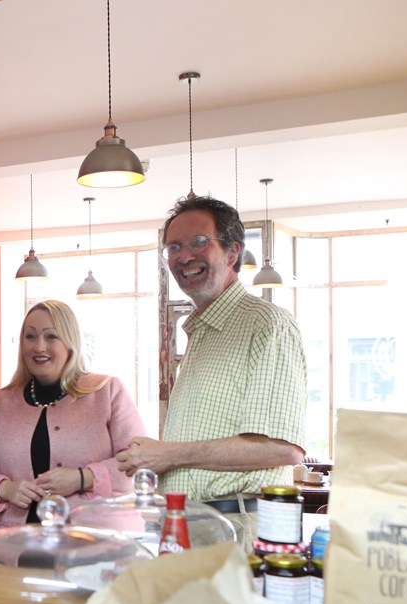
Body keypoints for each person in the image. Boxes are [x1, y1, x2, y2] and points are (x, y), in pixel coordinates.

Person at [116, 195, 306, 538]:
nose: (184, 256)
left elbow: (284, 449)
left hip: (234, 524)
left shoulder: (266, 324)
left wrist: (168, 455)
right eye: (173, 247)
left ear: (233, 253)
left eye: (199, 242)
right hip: (189, 523)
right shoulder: (200, 330)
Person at [0, 300, 145, 529]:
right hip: (15, 544)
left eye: (51, 337)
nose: (39, 347)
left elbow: (138, 461)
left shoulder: (108, 392)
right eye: (30, 336)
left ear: (70, 342)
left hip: (95, 541)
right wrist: (3, 488)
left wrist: (82, 478)